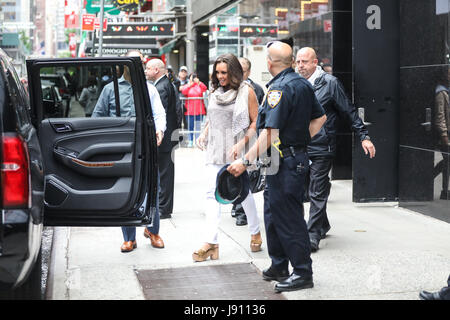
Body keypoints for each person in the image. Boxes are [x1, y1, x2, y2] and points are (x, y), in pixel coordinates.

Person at [227, 41, 326, 292]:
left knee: (289, 218)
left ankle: (303, 272)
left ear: (269, 63)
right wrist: (301, 141)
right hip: (284, 158)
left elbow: (270, 133)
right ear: (291, 61)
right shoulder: (302, 83)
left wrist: (244, 160)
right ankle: (279, 264)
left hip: (285, 161)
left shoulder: (279, 89)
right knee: (272, 213)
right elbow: (320, 117)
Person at [295, 47, 376, 252]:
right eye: (297, 62)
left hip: (323, 145)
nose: (300, 66)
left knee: (317, 189)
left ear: (315, 63)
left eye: (304, 62)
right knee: (306, 189)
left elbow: (348, 111)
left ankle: (312, 235)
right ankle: (322, 224)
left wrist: (364, 136)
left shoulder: (330, 83)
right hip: (301, 145)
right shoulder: (296, 83)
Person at [193, 53, 263, 262]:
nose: (220, 76)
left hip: (237, 150)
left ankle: (255, 231)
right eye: (218, 72)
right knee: (210, 194)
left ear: (234, 72)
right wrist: (204, 134)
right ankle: (211, 242)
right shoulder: (214, 91)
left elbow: (255, 123)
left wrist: (241, 144)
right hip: (215, 148)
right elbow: (212, 119)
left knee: (243, 194)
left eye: (224, 72)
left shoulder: (247, 92)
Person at [231, 57, 267, 226]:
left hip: (249, 138)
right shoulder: (228, 88)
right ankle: (236, 204)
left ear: (249, 72)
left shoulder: (255, 89)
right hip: (230, 137)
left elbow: (259, 117)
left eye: (243, 70)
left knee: (247, 174)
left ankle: (242, 211)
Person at [146, 59, 179, 220]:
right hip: (169, 137)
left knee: (164, 174)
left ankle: (163, 209)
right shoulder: (165, 84)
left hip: (164, 138)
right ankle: (164, 207)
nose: (145, 71)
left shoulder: (160, 87)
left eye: (148, 69)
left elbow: (160, 114)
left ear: (156, 70)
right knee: (165, 172)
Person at [433, 69, 449, 200]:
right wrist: (444, 135)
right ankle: (428, 178)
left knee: (447, 161)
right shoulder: (441, 92)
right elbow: (440, 116)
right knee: (447, 161)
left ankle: (444, 191)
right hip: (446, 134)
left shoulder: (446, 90)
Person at [181, 72, 207, 147]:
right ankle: (190, 140)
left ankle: (197, 140)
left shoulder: (199, 85)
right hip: (189, 111)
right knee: (190, 126)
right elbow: (183, 91)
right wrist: (189, 85)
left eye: (195, 77)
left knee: (198, 126)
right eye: (192, 77)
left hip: (199, 110)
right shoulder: (187, 85)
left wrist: (198, 82)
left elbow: (205, 88)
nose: (193, 78)